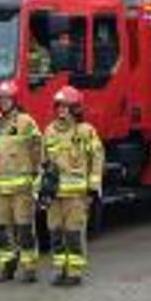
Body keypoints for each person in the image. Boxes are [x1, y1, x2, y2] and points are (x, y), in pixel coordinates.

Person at [41, 86, 104, 287]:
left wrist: (93, 185)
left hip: (76, 195)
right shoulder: (49, 131)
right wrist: (41, 188)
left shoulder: (85, 131)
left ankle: (75, 272)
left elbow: (97, 157)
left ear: (76, 108)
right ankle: (60, 270)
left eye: (65, 107)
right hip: (54, 195)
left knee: (73, 233)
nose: (61, 110)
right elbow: (43, 161)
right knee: (56, 232)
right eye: (58, 106)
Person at [0, 81, 43, 283]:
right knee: (0, 228)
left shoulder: (26, 122)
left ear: (15, 100)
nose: (4, 102)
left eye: (7, 99)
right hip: (0, 186)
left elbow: (37, 147)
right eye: (1, 99)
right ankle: (6, 267)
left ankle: (29, 268)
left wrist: (36, 173)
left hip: (21, 186)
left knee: (24, 227)